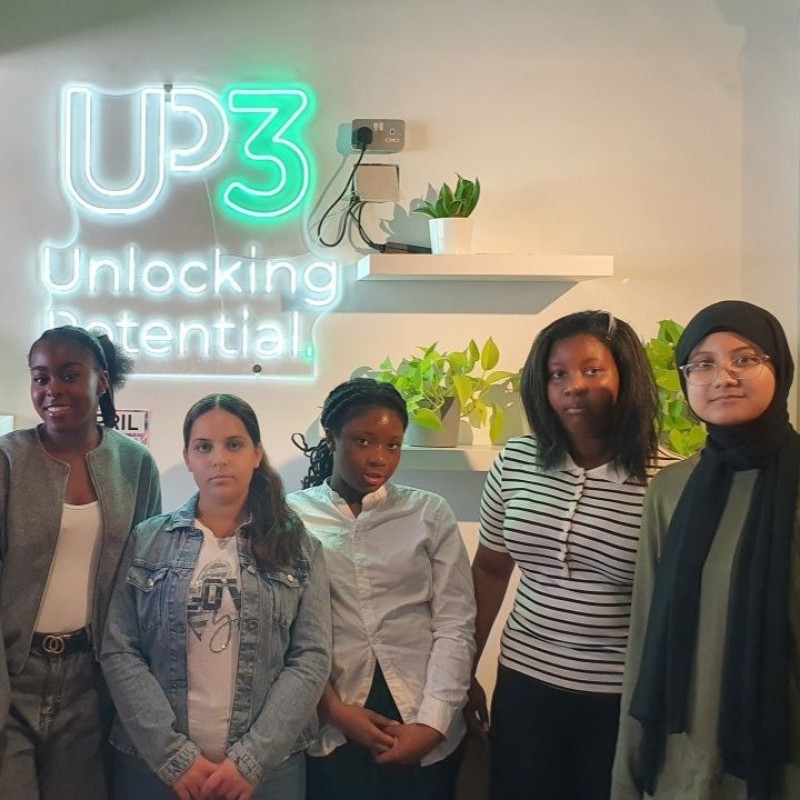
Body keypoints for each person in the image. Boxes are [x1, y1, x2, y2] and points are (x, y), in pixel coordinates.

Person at [469, 310, 675, 800]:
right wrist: (466, 670)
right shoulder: (517, 460)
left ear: (627, 376)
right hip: (523, 684)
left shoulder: (667, 480)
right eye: (556, 374)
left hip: (620, 702)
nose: (572, 386)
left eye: (591, 370)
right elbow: (490, 570)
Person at [611, 300, 800, 799]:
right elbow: (645, 639)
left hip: (782, 763)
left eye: (745, 359)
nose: (724, 377)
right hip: (681, 761)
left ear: (779, 368)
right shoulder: (671, 490)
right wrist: (627, 779)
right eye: (703, 363)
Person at [101, 393, 331, 800]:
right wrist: (175, 758)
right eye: (203, 447)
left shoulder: (299, 546)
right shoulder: (147, 540)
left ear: (256, 454)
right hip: (152, 768)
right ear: (188, 458)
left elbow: (311, 659)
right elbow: (120, 651)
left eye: (234, 445)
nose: (218, 459)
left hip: (268, 771)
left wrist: (251, 760)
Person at [287, 377, 476, 800]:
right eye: (364, 441)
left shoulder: (429, 512)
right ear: (331, 437)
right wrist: (333, 710)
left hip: (423, 709)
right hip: (332, 717)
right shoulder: (292, 516)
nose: (379, 458)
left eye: (393, 445)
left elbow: (455, 624)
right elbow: (285, 631)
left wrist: (433, 724)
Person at [0, 325, 162, 800]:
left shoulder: (134, 464)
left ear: (102, 382)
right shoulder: (9, 459)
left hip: (91, 683)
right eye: (40, 377)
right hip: (13, 675)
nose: (52, 390)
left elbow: (144, 580)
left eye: (68, 375)